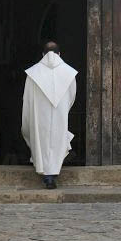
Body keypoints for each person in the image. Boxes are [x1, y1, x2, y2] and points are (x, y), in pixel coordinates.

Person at [21, 40, 77, 189]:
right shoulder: (69, 72)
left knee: (42, 140)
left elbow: (27, 98)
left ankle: (47, 174)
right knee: (57, 140)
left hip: (39, 114)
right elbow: (72, 96)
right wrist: (62, 108)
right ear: (60, 54)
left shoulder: (33, 73)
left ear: (42, 54)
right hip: (60, 113)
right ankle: (52, 173)